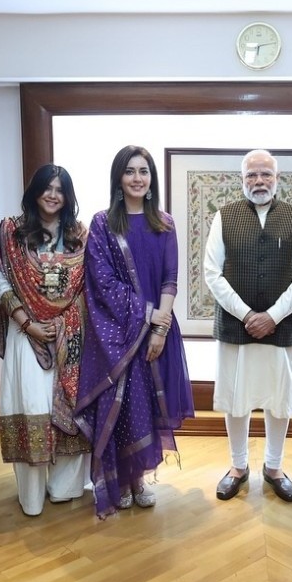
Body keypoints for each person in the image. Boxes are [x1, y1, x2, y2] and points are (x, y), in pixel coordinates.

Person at [76, 145, 195, 517]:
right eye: (130, 171)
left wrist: (159, 326)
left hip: (156, 329)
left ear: (151, 178)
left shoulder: (164, 223)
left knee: (147, 407)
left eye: (144, 171)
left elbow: (170, 278)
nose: (137, 178)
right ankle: (120, 480)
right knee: (124, 404)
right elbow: (103, 281)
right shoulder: (103, 224)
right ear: (119, 178)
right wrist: (146, 317)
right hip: (117, 333)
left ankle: (140, 478)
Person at [205, 149, 292, 502]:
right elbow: (212, 273)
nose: (259, 181)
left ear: (277, 178)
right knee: (235, 399)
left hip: (281, 328)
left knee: (279, 399)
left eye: (265, 174)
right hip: (235, 327)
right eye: (252, 175)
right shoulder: (224, 217)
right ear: (242, 180)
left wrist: (273, 316)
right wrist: (246, 315)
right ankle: (238, 467)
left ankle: (274, 466)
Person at [0, 165, 91, 515]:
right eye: (47, 188)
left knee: (69, 405)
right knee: (33, 405)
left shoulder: (80, 234)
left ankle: (64, 487)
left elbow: (87, 286)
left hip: (70, 336)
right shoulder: (11, 231)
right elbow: (0, 279)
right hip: (26, 334)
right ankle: (31, 496)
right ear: (34, 191)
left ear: (68, 196)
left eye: (60, 189)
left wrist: (64, 320)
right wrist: (27, 322)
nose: (53, 195)